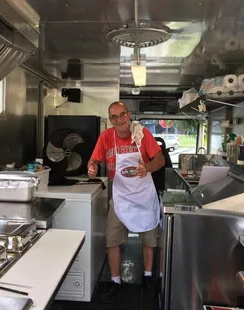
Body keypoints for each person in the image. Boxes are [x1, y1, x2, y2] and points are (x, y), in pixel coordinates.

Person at [87, 101, 165, 304]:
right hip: (121, 196)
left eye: (122, 115)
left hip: (143, 195)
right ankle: (115, 281)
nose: (119, 120)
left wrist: (146, 168)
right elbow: (94, 159)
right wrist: (92, 166)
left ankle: (148, 277)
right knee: (112, 240)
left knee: (149, 239)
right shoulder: (106, 137)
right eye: (114, 117)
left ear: (128, 115)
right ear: (110, 120)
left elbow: (160, 160)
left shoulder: (142, 134)